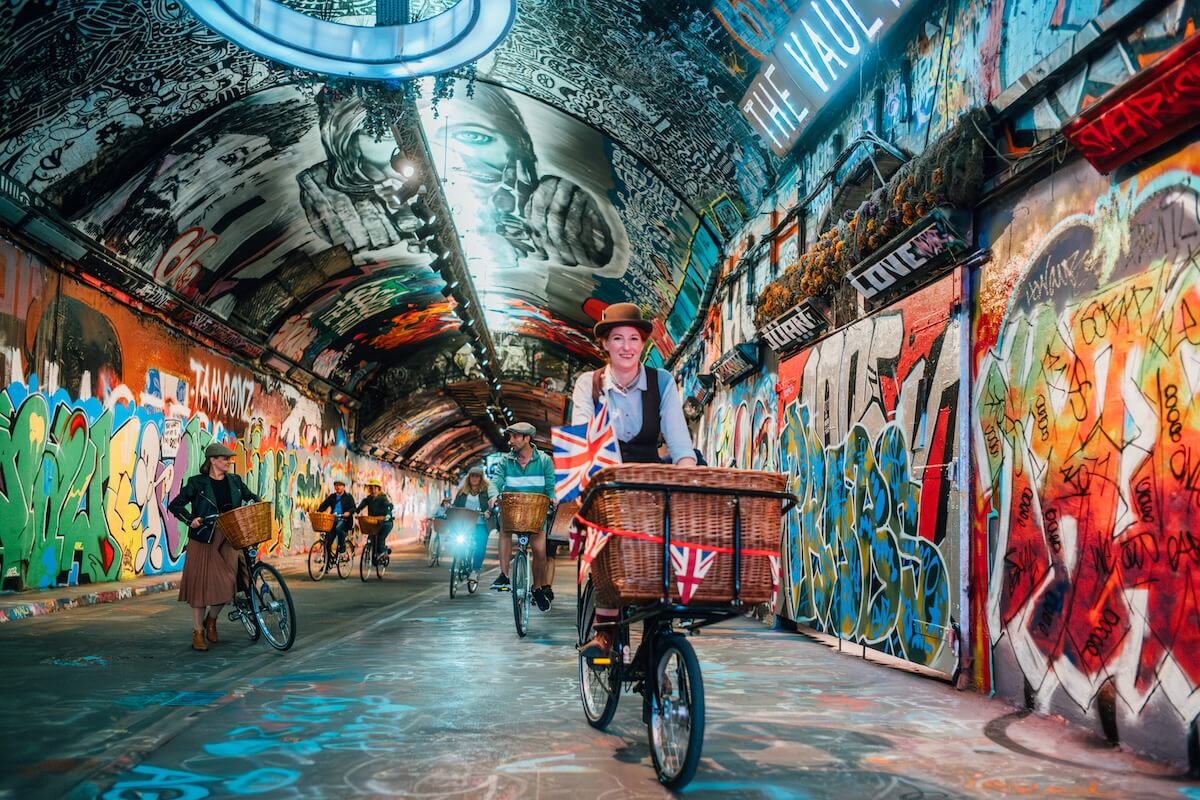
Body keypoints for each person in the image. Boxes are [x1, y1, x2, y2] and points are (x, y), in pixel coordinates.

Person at [571, 303, 696, 657]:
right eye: (617, 339)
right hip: (606, 480)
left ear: (643, 344)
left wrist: (686, 477)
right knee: (606, 542)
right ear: (606, 345)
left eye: (634, 339)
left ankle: (660, 635)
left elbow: (680, 444)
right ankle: (606, 629)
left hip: (650, 479)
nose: (626, 346)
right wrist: (592, 481)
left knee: (666, 543)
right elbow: (582, 438)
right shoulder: (589, 385)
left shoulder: (663, 382)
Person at [169, 442, 262, 651]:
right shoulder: (197, 483)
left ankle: (211, 619)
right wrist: (190, 519)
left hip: (230, 537)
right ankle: (198, 632)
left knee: (228, 584)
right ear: (212, 460)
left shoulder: (235, 481)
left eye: (229, 459)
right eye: (224, 458)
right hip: (203, 539)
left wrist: (258, 501)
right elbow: (175, 505)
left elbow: (250, 496)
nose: (228, 462)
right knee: (200, 589)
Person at [488, 421, 556, 611]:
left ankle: (537, 587)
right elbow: (496, 481)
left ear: (527, 439)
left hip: (536, 513)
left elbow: (550, 485)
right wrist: (493, 495)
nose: (511, 441)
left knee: (540, 552)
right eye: (510, 436)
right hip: (513, 510)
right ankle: (504, 575)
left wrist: (553, 497)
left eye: (516, 437)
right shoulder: (505, 462)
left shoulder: (543, 461)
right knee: (505, 531)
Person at [452, 467, 494, 583]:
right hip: (464, 524)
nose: (474, 478)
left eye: (477, 476)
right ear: (468, 477)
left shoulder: (487, 492)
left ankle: (475, 570)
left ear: (481, 478)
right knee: (457, 542)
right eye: (472, 476)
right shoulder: (462, 492)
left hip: (480, 524)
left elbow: (492, 505)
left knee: (480, 547)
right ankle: (459, 561)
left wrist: (488, 512)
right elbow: (455, 505)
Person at [315, 478, 357, 570]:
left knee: (339, 528)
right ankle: (327, 564)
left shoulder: (348, 497)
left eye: (340, 485)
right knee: (327, 542)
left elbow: (354, 508)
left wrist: (348, 513)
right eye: (336, 485)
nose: (338, 487)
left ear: (343, 487)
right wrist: (318, 511)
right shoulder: (332, 497)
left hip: (345, 521)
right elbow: (324, 505)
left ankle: (342, 550)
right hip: (333, 521)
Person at [357, 478, 394, 563]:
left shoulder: (383, 498)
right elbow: (362, 505)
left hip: (386, 523)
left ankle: (383, 552)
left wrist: (388, 514)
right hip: (374, 522)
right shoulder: (369, 499)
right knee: (372, 537)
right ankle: (375, 556)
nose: (373, 490)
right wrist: (356, 510)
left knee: (380, 538)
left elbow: (389, 506)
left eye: (375, 488)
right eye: (371, 488)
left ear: (378, 489)